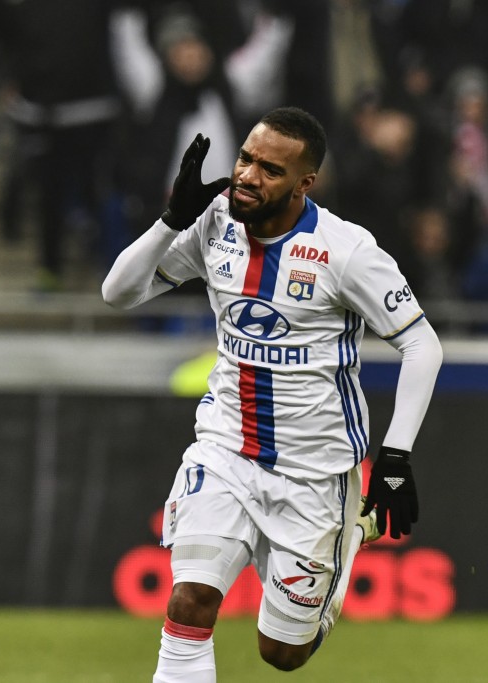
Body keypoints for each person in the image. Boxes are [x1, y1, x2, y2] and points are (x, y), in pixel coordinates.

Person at [102, 106, 443, 680]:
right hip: (226, 450)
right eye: (245, 158)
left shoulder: (347, 250)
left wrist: (395, 457)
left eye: (269, 169)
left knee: (281, 654)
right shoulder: (213, 224)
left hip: (315, 471)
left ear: (303, 183)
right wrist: (169, 220)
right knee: (190, 602)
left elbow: (423, 346)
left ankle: (351, 534)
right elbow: (118, 293)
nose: (248, 176)